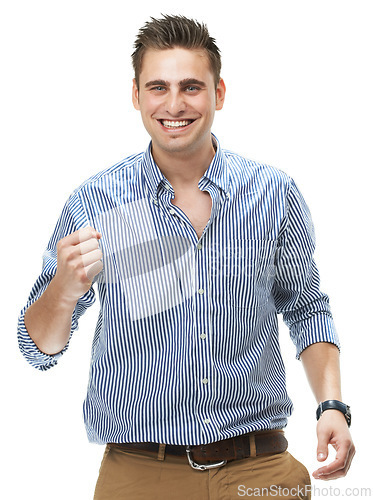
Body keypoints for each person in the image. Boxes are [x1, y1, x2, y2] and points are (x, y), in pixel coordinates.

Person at [18, 14, 355, 500]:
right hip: (138, 474)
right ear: (136, 95)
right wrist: (63, 290)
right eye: (158, 87)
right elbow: (39, 349)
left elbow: (306, 311)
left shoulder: (272, 193)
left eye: (191, 86)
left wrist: (332, 405)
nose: (174, 104)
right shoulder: (96, 203)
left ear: (218, 94)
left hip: (260, 469)